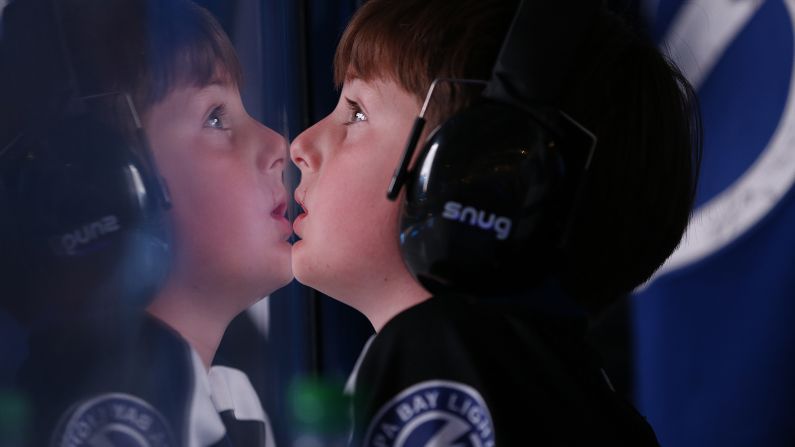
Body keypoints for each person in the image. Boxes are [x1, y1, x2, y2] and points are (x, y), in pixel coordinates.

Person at [289, 0, 701, 445]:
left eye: (357, 112)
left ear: (484, 174)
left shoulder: (441, 353)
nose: (301, 145)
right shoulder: (584, 402)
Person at [0, 0, 291, 445]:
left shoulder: (231, 400)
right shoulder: (103, 416)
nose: (279, 146)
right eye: (216, 117)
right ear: (111, 185)